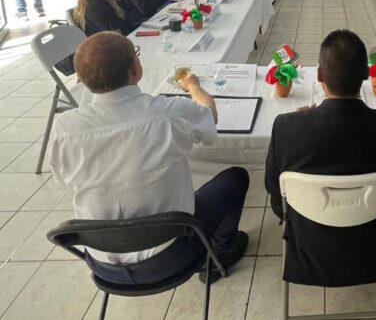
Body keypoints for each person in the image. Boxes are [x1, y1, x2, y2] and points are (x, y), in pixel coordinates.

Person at [49, 32, 249, 285]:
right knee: (236, 178)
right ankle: (222, 251)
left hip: (103, 264)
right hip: (172, 255)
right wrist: (194, 87)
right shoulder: (168, 113)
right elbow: (209, 118)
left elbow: (61, 179)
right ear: (135, 69)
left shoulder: (65, 128)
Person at [264, 30, 376, 286]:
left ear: (319, 75)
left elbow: (272, 187)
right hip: (372, 234)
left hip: (309, 234)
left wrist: (301, 121)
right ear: (367, 75)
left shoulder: (285, 127)